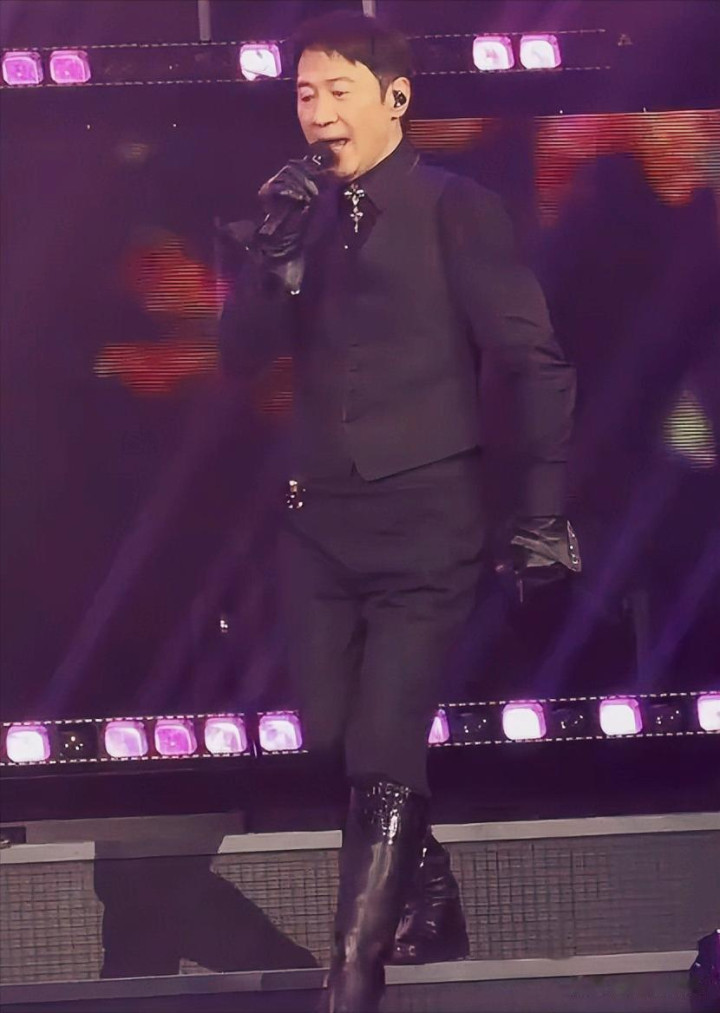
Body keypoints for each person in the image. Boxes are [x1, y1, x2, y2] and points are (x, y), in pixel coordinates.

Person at [220, 12, 580, 1012]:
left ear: (395, 98)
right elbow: (239, 355)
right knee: (330, 737)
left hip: (428, 519)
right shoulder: (288, 214)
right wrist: (269, 258)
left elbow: (534, 360)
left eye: (338, 91)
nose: (318, 112)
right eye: (304, 94)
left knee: (384, 745)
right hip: (316, 521)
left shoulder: (454, 208)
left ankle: (352, 975)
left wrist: (542, 510)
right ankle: (428, 884)